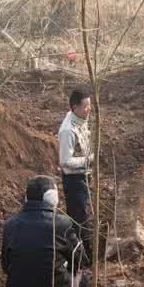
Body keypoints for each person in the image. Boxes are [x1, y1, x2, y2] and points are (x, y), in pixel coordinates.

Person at [1, 176, 89, 287]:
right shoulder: (62, 223)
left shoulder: (10, 224)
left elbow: (5, 265)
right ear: (53, 198)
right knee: (82, 279)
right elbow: (80, 259)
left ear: (26, 198)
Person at [59, 89, 93, 259]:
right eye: (85, 106)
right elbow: (65, 161)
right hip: (73, 179)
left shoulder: (81, 118)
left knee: (84, 214)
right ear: (74, 107)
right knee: (79, 219)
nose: (89, 109)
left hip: (84, 175)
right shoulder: (67, 130)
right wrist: (87, 161)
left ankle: (86, 252)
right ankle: (84, 257)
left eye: (89, 105)